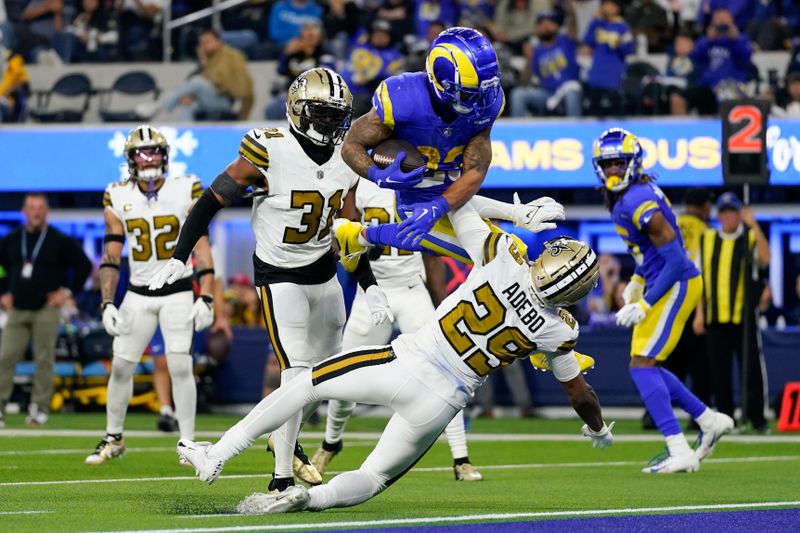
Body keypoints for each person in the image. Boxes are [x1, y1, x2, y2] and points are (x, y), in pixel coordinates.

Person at [175, 202, 614, 515]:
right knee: (374, 479)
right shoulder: (560, 330)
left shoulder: (503, 257)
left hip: (404, 363)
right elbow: (580, 394)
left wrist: (516, 214)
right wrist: (596, 428)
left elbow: (456, 205)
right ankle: (313, 499)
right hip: (443, 402)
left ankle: (217, 455)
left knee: (304, 384)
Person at [148, 67, 394, 494]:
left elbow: (346, 232)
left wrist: (369, 286)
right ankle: (281, 476)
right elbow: (212, 199)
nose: (330, 124)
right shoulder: (269, 149)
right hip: (279, 275)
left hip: (324, 274)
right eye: (320, 113)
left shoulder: (348, 159)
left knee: (326, 375)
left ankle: (285, 443)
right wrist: (179, 254)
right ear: (297, 110)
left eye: (337, 115)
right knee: (295, 373)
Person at [338, 27, 563, 269]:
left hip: (454, 192)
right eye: (469, 94)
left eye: (484, 92)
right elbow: (351, 146)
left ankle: (358, 236)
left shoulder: (488, 104)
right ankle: (359, 236)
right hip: (413, 196)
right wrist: (376, 174)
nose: (480, 102)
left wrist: (515, 213)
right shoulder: (402, 99)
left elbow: (475, 171)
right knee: (502, 260)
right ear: (440, 81)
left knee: (507, 254)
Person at [309, 179, 483, 482]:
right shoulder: (358, 184)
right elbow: (343, 234)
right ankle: (330, 443)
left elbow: (432, 251)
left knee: (445, 370)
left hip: (412, 289)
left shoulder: (420, 182)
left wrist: (440, 303)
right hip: (372, 292)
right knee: (343, 373)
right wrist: (360, 246)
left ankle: (461, 457)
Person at [594, 127, 733, 473]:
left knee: (642, 365)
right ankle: (708, 419)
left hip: (676, 283)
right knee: (646, 364)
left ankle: (678, 446)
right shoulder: (628, 194)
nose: (612, 170)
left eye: (618, 163)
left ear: (633, 162)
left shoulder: (637, 199)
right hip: (663, 280)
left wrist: (644, 302)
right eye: (607, 164)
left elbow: (675, 259)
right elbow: (650, 253)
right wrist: (637, 282)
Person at [84, 125, 216, 465]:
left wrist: (208, 295)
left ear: (166, 156)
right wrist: (107, 302)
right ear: (130, 160)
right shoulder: (117, 194)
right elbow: (112, 253)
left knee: (180, 365)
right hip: (138, 292)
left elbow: (201, 243)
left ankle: (187, 442)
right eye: (142, 153)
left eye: (155, 152)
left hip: (177, 289)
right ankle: (113, 437)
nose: (149, 159)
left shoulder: (186, 187)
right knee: (122, 366)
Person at [0, 193, 92, 428]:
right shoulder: (11, 239)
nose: (36, 212)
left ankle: (39, 408)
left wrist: (67, 292)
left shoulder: (59, 240)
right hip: (17, 308)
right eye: (32, 207)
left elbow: (83, 265)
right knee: (6, 357)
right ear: (24, 211)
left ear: (46, 211)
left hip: (46, 308)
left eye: (40, 207)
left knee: (44, 359)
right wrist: (3, 292)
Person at [696, 192, 770, 433]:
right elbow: (699, 280)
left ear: (740, 214)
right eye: (724, 211)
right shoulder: (706, 239)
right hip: (715, 317)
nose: (728, 216)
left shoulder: (749, 237)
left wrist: (754, 225)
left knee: (751, 370)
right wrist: (699, 314)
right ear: (718, 215)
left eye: (733, 211)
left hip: (743, 318)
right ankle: (726, 420)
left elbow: (765, 259)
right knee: (719, 372)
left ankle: (757, 418)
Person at [641, 187, 714, 430]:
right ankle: (698, 416)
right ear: (705, 206)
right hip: (691, 301)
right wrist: (701, 314)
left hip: (662, 298)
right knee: (701, 366)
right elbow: (698, 270)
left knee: (664, 360)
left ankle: (654, 415)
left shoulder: (668, 221)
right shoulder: (705, 231)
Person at [137, 29, 254, 121]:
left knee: (197, 81)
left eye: (208, 41)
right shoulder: (208, 60)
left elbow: (219, 82)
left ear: (219, 41)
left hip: (224, 100)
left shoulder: (231, 56)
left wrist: (204, 62)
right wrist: (192, 95)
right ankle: (189, 132)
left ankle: (160, 105)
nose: (204, 46)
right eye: (202, 43)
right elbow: (194, 82)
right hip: (208, 99)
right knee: (187, 103)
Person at [671, 8, 752, 116]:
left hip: (733, 86)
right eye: (718, 21)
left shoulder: (741, 40)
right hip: (708, 88)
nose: (721, 26)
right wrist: (708, 40)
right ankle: (680, 131)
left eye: (724, 22)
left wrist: (734, 39)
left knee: (727, 93)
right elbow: (693, 59)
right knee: (677, 98)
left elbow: (745, 58)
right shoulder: (706, 41)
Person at [510, 11, 582, 118]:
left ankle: (576, 132)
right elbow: (524, 82)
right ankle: (518, 133)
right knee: (518, 94)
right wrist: (529, 60)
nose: (545, 26)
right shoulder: (536, 51)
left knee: (571, 93)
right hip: (547, 94)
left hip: (568, 90)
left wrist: (570, 8)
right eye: (541, 23)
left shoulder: (565, 41)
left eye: (550, 22)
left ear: (557, 26)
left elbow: (573, 24)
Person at [581, 0, 634, 116]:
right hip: (597, 73)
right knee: (594, 110)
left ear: (617, 8)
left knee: (615, 111)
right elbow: (587, 40)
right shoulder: (597, 24)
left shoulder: (622, 26)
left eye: (610, 5)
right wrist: (593, 20)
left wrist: (619, 44)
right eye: (604, 4)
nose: (607, 7)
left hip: (613, 75)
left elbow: (629, 49)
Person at [344, 19, 404, 117]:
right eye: (377, 34)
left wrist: (370, 80)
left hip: (378, 98)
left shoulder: (395, 56)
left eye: (384, 35)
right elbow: (347, 70)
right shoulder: (359, 49)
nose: (380, 37)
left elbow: (392, 79)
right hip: (353, 93)